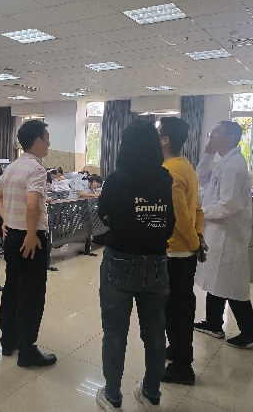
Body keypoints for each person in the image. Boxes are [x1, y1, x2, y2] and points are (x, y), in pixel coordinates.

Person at [96, 120, 175, 412]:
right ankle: (151, 392)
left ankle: (112, 395)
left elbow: (104, 212)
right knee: (154, 331)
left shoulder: (117, 179)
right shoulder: (165, 178)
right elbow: (170, 219)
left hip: (120, 258)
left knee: (115, 331)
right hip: (157, 260)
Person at [194, 121, 253, 349]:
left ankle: (252, 332)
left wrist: (201, 213)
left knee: (230, 282)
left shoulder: (234, 165)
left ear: (231, 138)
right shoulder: (224, 162)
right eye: (212, 132)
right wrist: (207, 153)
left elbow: (230, 204)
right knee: (216, 278)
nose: (212, 136)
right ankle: (214, 323)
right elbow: (200, 178)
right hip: (217, 231)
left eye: (217, 133)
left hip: (228, 234)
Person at [0, 120, 56, 368]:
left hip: (11, 236)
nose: (49, 142)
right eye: (47, 138)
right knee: (31, 294)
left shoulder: (12, 166)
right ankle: (27, 350)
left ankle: (9, 340)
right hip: (30, 238)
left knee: (12, 288)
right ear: (38, 140)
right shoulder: (37, 169)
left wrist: (7, 219)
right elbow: (32, 204)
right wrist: (31, 234)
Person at [157, 117, 206, 386]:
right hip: (185, 249)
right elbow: (197, 209)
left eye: (158, 134)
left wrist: (195, 243)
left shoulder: (169, 171)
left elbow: (180, 218)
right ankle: (177, 350)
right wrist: (198, 237)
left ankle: (183, 366)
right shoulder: (186, 165)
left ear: (165, 140)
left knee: (176, 310)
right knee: (181, 306)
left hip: (175, 251)